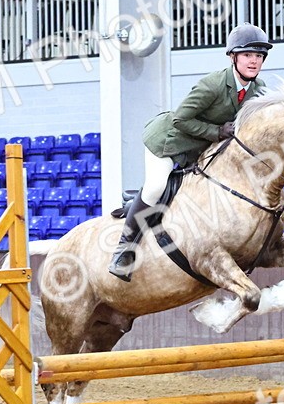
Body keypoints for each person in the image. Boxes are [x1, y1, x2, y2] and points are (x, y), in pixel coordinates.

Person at [108, 23, 274, 281]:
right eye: (248, 55)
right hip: (169, 141)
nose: (254, 61)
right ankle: (124, 250)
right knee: (154, 187)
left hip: (199, 148)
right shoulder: (213, 85)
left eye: (259, 56)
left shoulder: (258, 89)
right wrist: (217, 132)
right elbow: (180, 120)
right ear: (233, 57)